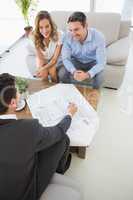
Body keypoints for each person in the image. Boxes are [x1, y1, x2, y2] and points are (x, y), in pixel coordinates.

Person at [0, 73, 77, 200]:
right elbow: (58, 131)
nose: (20, 93)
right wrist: (69, 115)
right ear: (13, 103)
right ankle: (59, 171)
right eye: (18, 92)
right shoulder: (28, 128)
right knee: (62, 138)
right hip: (24, 194)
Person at [58, 11, 106, 89]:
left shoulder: (99, 37)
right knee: (62, 74)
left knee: (100, 78)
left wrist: (88, 74)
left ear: (86, 26)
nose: (73, 34)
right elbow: (66, 59)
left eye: (76, 29)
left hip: (92, 62)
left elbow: (101, 63)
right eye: (70, 30)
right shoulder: (67, 36)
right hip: (76, 61)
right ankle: (69, 93)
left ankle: (93, 97)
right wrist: (73, 71)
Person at [33, 10, 63, 82]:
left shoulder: (59, 34)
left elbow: (54, 59)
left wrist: (42, 69)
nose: (44, 30)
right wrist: (43, 69)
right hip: (43, 58)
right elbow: (40, 58)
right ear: (37, 27)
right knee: (44, 73)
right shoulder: (34, 36)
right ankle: (45, 90)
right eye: (41, 27)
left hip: (55, 58)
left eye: (47, 26)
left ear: (51, 25)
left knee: (52, 71)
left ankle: (56, 89)